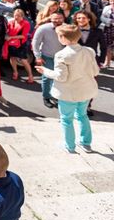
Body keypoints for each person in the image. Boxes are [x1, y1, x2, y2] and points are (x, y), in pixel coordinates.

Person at [35, 24, 100, 153]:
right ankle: (86, 143)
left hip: (68, 93)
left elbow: (61, 77)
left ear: (63, 38)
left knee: (66, 119)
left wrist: (45, 71)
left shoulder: (61, 55)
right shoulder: (89, 51)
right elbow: (95, 71)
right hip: (86, 91)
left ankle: (70, 146)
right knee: (82, 116)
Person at [31, 13, 65, 108]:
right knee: (47, 78)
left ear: (63, 19)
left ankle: (57, 97)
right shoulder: (43, 28)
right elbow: (35, 42)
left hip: (62, 58)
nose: (57, 21)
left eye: (59, 18)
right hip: (47, 56)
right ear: (50, 18)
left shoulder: (66, 28)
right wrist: (37, 56)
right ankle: (46, 97)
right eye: (55, 19)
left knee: (60, 78)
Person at [6, 9, 34, 84]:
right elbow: (7, 31)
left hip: (21, 44)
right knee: (12, 57)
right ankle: (15, 72)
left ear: (22, 16)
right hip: (11, 44)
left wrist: (11, 37)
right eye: (15, 15)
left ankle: (30, 75)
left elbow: (23, 36)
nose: (16, 17)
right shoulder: (11, 22)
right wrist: (6, 35)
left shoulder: (26, 23)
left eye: (18, 16)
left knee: (23, 60)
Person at [100, 0, 114, 68]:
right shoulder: (106, 8)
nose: (113, 3)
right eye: (111, 1)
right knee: (108, 46)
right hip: (108, 29)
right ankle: (107, 62)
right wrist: (109, 21)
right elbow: (102, 17)